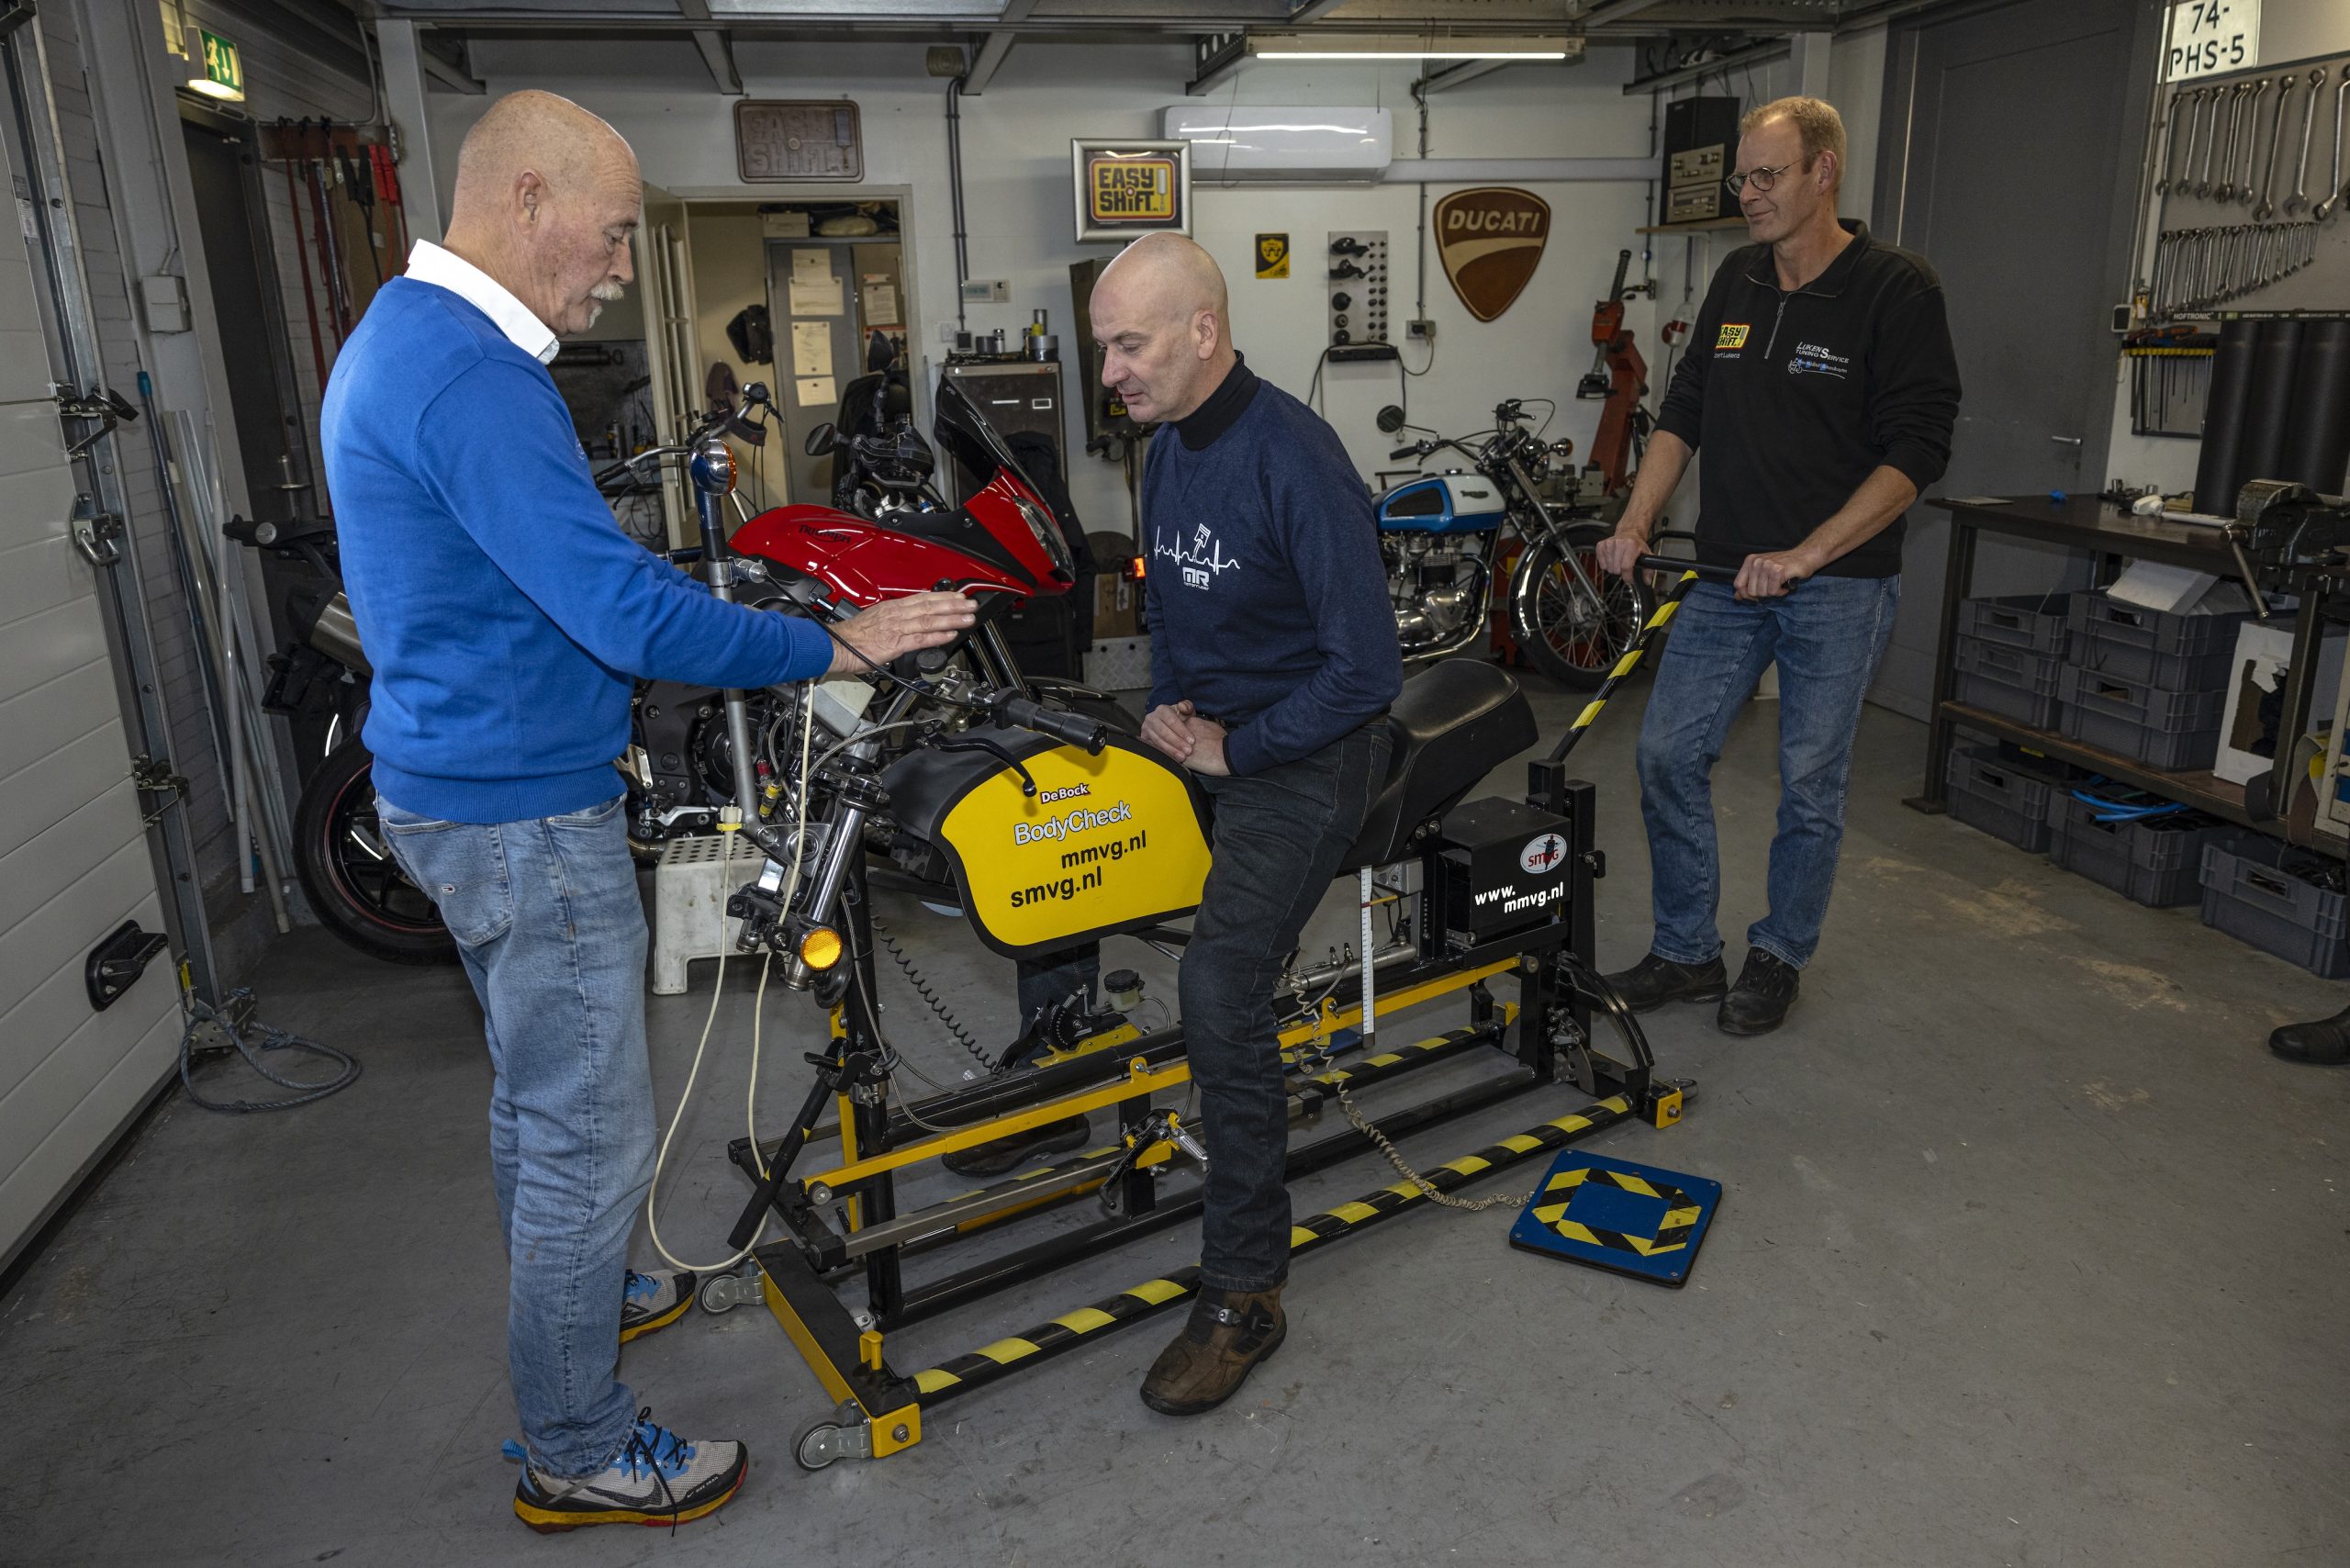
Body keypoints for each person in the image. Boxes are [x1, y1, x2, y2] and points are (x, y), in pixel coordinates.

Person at [320, 90, 974, 1532]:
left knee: (535, 1098)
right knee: (589, 1136)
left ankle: (593, 1296)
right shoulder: (474, 376)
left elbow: (544, 577)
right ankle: (575, 1441)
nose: (621, 263)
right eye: (614, 232)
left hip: (450, 787)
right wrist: (837, 645)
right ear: (531, 197)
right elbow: (618, 611)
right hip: (516, 815)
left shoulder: (398, 339)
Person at [1090, 233, 1403, 1416]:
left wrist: (1239, 747)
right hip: (1206, 732)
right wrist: (1169, 703)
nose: (1110, 371)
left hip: (1308, 751)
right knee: (1033, 807)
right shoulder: (1167, 452)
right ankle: (1043, 1072)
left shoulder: (1296, 458)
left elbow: (1364, 669)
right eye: (1104, 347)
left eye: (1129, 344)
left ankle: (1244, 1290)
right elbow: (1166, 600)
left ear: (1202, 333)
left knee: (1219, 989)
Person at [1595, 96, 1961, 1036]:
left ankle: (1777, 953)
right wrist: (1634, 522)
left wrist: (1805, 555)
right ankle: (1684, 949)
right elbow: (1683, 414)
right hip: (1722, 578)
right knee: (1666, 752)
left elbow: (1916, 453)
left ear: (1822, 173)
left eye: (1765, 176)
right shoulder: (1738, 280)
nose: (1746, 196)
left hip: (1835, 585)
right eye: (1740, 178)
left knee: (1808, 780)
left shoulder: (1895, 289)